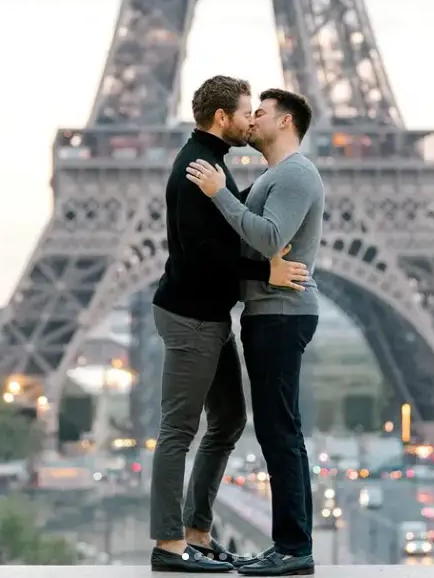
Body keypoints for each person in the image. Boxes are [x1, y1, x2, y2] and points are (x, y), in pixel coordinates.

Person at [150, 76, 310, 573]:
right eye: (245, 112)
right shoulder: (198, 165)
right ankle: (169, 546)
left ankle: (197, 531)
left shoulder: (216, 163)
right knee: (179, 428)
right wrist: (267, 270)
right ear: (223, 117)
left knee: (228, 420)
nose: (250, 119)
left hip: (209, 317)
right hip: (191, 317)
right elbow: (203, 255)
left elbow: (238, 227)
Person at [186, 88, 324, 577]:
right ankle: (290, 545)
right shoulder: (275, 175)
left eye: (260, 113)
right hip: (271, 311)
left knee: (279, 430)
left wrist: (217, 192)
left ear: (285, 122)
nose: (252, 120)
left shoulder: (295, 174)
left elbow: (267, 238)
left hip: (282, 316)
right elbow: (251, 250)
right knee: (277, 429)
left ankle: (293, 548)